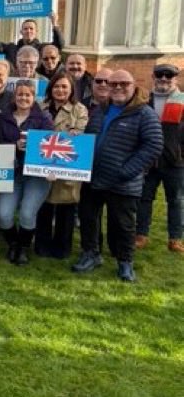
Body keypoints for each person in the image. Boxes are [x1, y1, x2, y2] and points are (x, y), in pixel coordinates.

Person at [73, 70, 163, 282]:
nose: (117, 88)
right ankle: (91, 254)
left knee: (123, 224)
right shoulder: (101, 110)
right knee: (89, 218)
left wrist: (128, 171)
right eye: (113, 84)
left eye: (124, 83)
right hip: (94, 177)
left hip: (123, 182)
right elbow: (89, 138)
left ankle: (125, 262)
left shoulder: (144, 113)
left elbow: (154, 145)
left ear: (134, 85)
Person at [0, 81, 54, 265]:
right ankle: (13, 243)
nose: (23, 98)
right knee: (4, 215)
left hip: (36, 175)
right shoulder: (2, 117)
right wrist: (13, 146)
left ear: (33, 97)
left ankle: (22, 248)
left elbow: (51, 145)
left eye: (27, 95)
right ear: (14, 97)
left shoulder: (43, 118)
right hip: (11, 172)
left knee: (28, 214)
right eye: (20, 94)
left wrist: (52, 168)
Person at [35, 72, 89, 259]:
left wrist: (77, 133)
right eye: (57, 86)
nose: (60, 90)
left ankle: (62, 248)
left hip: (67, 165)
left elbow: (81, 135)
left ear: (71, 89)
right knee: (43, 207)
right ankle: (42, 245)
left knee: (66, 210)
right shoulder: (40, 106)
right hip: (43, 162)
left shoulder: (79, 109)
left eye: (64, 87)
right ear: (51, 88)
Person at [136, 64, 184, 253]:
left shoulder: (182, 100)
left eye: (169, 75)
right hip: (149, 159)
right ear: (153, 76)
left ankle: (175, 238)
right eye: (159, 75)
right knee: (144, 198)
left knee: (176, 201)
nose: (164, 78)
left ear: (176, 78)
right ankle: (141, 234)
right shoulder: (144, 100)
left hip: (175, 162)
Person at [0, 13, 64, 69]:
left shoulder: (43, 48)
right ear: (21, 32)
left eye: (31, 28)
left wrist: (55, 24)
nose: (28, 31)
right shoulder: (12, 48)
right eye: (25, 29)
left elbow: (59, 45)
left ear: (36, 32)